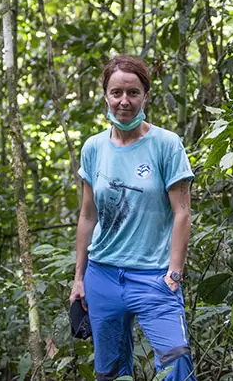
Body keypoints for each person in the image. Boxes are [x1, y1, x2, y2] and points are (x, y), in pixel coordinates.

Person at [70, 54, 197, 381]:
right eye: (116, 93)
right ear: (106, 96)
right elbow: (87, 216)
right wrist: (79, 278)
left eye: (133, 92)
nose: (124, 101)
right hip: (103, 276)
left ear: (145, 95)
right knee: (110, 371)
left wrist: (174, 274)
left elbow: (182, 213)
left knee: (177, 361)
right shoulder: (93, 148)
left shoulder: (167, 145)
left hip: (154, 277)